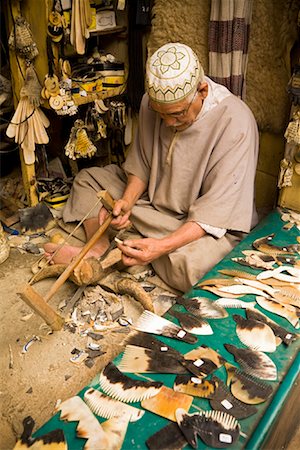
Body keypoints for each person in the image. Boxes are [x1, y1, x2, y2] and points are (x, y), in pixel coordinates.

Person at [44, 42, 259, 293]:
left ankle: (135, 250)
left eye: (177, 114)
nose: (168, 123)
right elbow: (143, 165)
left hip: (196, 224)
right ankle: (100, 246)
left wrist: (163, 246)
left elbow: (216, 213)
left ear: (201, 91)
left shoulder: (235, 122)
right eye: (161, 114)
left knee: (198, 269)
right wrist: (126, 201)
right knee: (87, 180)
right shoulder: (152, 103)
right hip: (151, 205)